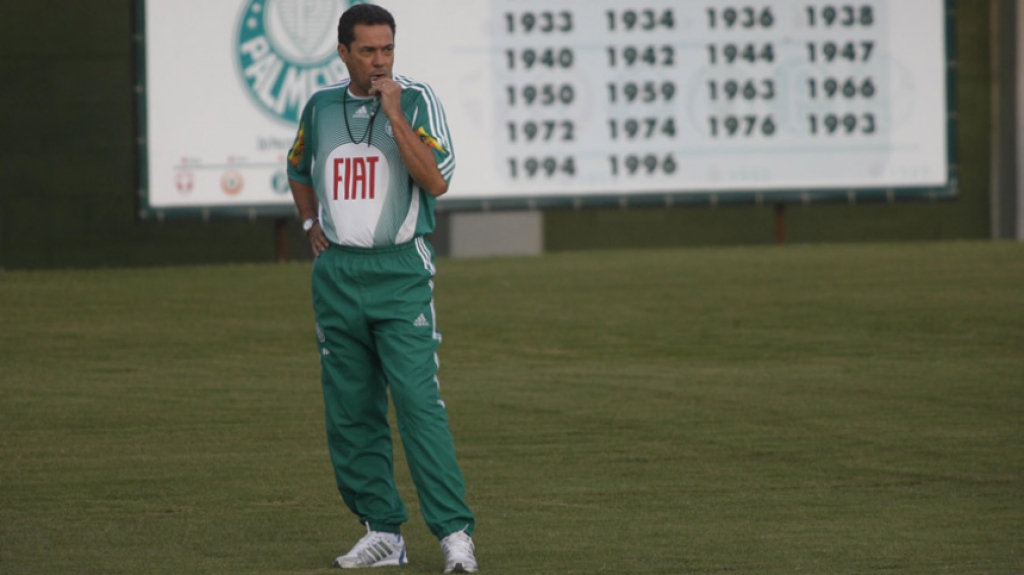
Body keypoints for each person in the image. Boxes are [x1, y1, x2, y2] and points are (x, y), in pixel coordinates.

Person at [285, 5, 477, 573]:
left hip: (400, 273)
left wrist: (394, 116)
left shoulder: (415, 100)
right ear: (342, 51)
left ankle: (455, 536)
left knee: (418, 404)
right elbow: (298, 168)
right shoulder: (320, 106)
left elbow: (437, 180)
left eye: (387, 49)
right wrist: (308, 224)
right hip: (338, 275)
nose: (379, 61)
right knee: (350, 410)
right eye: (367, 50)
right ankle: (383, 531)